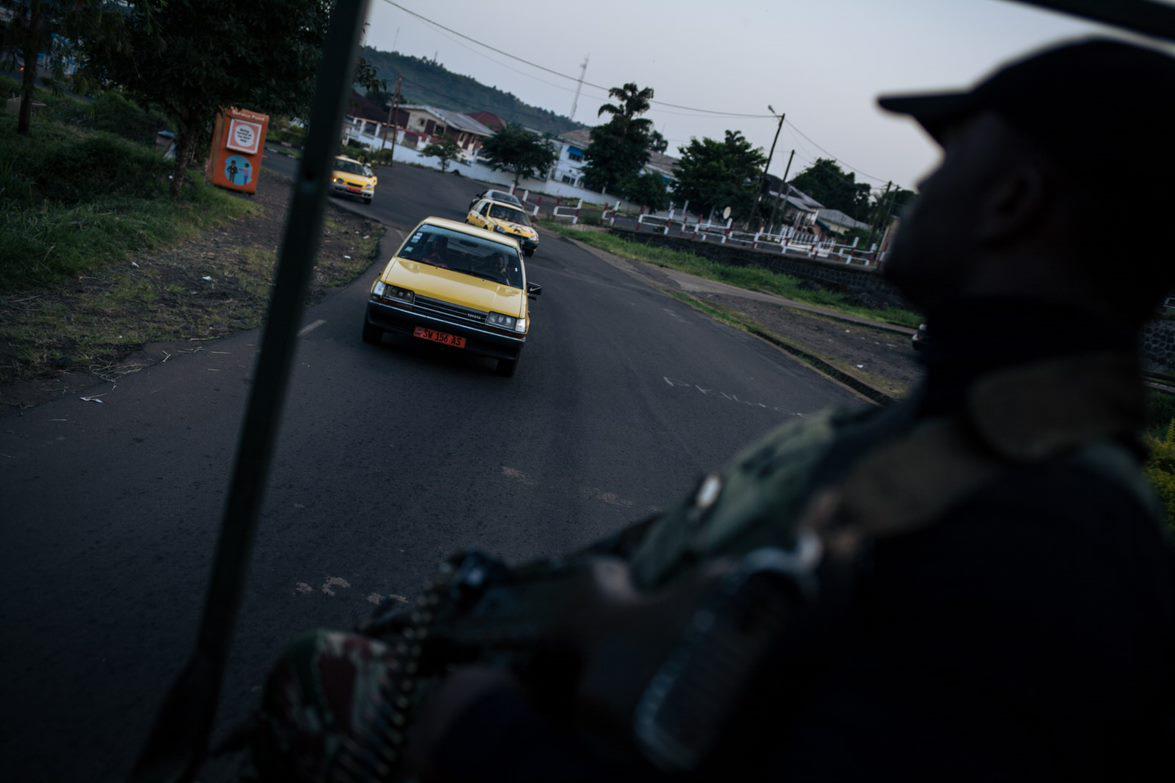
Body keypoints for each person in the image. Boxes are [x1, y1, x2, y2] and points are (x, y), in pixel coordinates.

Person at [253, 39, 1175, 782]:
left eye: (950, 154)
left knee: (313, 682)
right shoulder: (953, 429)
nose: (919, 189)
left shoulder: (1051, 539)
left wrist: (475, 731)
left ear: (1012, 201)